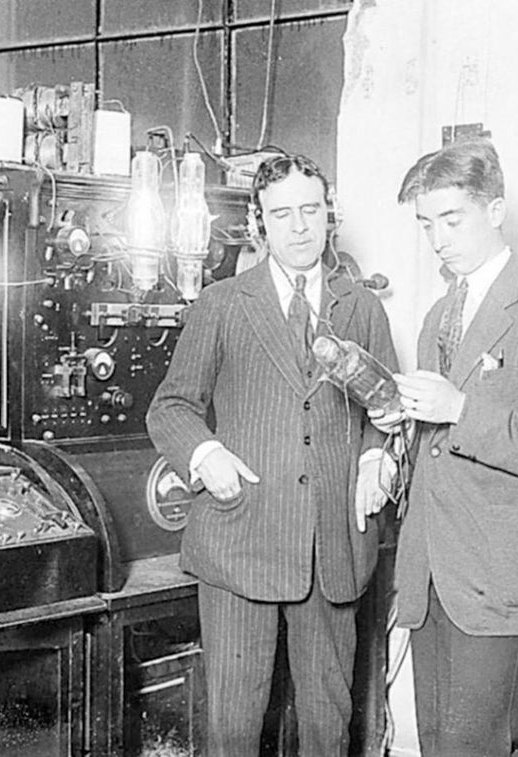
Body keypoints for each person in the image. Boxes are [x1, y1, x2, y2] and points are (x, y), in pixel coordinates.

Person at [146, 153, 398, 756]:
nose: (299, 226)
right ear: (259, 223)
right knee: (235, 726)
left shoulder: (361, 306)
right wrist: (204, 453)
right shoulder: (222, 303)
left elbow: (385, 408)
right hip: (240, 542)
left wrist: (376, 457)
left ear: (329, 214)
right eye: (281, 214)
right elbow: (170, 407)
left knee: (328, 725)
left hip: (331, 548)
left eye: (310, 210)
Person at [383, 139, 518, 756]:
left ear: (495, 211)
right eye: (426, 224)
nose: (438, 239)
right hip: (431, 577)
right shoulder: (438, 315)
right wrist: (399, 430)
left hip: (496, 583)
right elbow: (437, 450)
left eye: (452, 219)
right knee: (438, 745)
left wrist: (460, 409)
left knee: (477, 747)